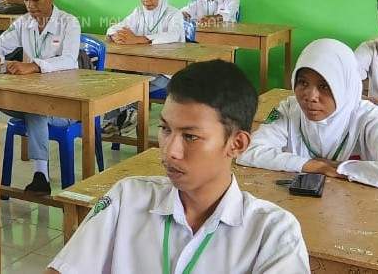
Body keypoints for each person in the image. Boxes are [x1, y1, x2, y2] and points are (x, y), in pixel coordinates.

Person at [46, 60, 309, 274]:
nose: (170, 151)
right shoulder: (127, 199)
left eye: (190, 136)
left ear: (237, 144)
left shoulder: (272, 233)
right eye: (165, 129)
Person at [238, 39, 378, 193]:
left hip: (355, 211)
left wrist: (341, 168)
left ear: (344, 86)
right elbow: (248, 152)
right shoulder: (289, 109)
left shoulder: (368, 117)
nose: (310, 96)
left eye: (325, 86)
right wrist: (318, 166)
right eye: (302, 82)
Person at [0, 0, 81, 195]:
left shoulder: (69, 23)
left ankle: (41, 175)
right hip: (30, 98)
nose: (30, 5)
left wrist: (34, 66)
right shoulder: (24, 23)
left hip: (63, 104)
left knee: (35, 108)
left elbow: (70, 60)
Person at [102, 0, 183, 136]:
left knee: (134, 84)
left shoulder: (174, 14)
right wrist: (115, 35)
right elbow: (115, 28)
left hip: (165, 73)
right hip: (140, 69)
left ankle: (128, 114)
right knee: (119, 76)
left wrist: (139, 39)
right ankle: (117, 119)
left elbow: (174, 35)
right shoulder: (138, 13)